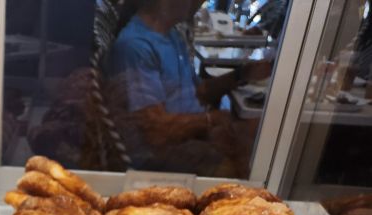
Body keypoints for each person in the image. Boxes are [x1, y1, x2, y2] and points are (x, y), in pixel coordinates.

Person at [106, 0, 270, 174]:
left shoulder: (171, 35)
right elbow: (154, 132)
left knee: (259, 132)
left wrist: (241, 74)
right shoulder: (135, 47)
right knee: (253, 148)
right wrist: (211, 120)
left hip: (189, 136)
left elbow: (200, 92)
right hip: (162, 155)